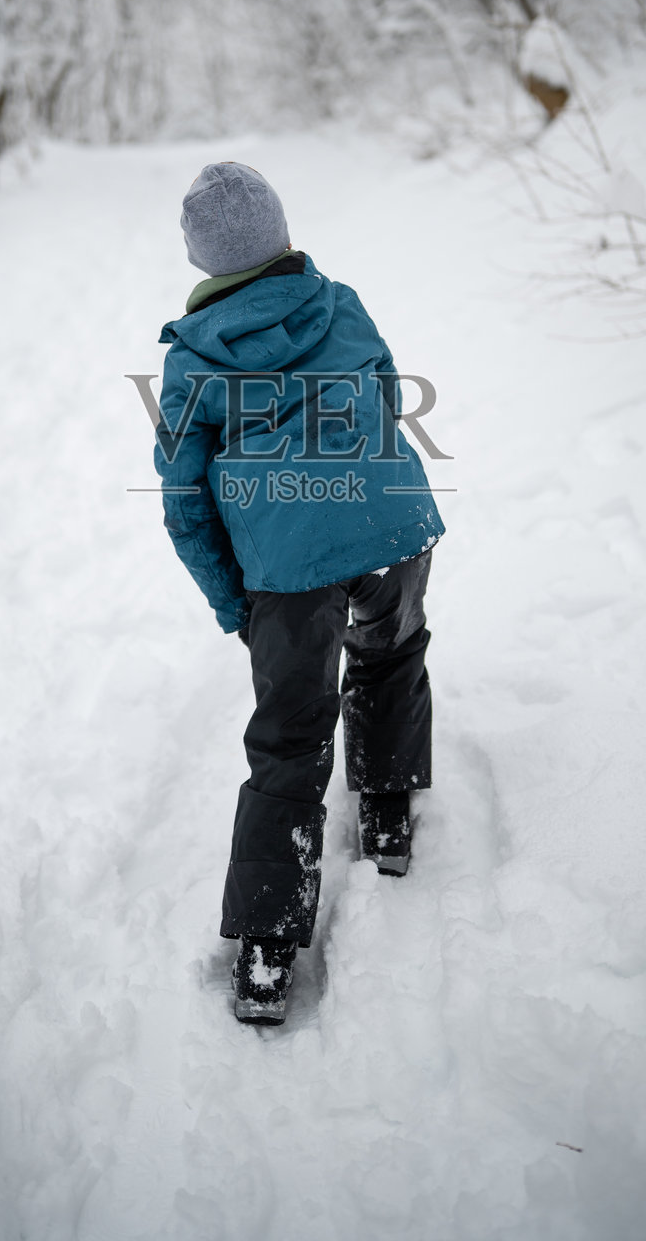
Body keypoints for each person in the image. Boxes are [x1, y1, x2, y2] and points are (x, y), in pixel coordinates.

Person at [154, 161, 444, 1024]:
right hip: (390, 522)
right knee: (390, 650)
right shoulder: (338, 301)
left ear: (206, 262)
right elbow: (386, 392)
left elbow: (184, 500)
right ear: (279, 237)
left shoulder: (193, 359)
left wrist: (231, 600)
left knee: (287, 736)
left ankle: (268, 951)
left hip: (284, 563)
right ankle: (386, 814)